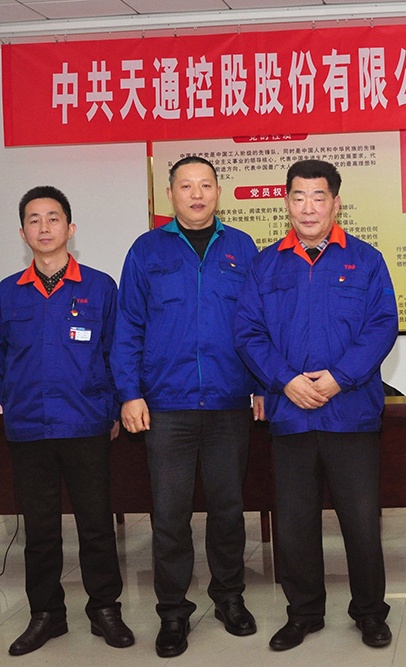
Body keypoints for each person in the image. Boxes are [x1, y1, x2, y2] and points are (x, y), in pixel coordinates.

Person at [233, 159, 397, 651]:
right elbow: (248, 332)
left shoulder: (365, 260)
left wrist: (339, 378)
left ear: (335, 203)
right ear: (287, 202)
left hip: (351, 413)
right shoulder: (266, 264)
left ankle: (370, 612)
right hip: (292, 415)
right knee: (295, 524)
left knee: (361, 522)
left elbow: (382, 326)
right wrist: (284, 381)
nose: (308, 207)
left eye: (318, 196)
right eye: (299, 197)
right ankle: (304, 612)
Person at [112, 156, 260, 657]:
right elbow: (128, 326)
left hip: (227, 401)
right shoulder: (146, 250)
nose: (197, 195)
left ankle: (229, 597)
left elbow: (258, 324)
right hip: (167, 405)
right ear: (170, 194)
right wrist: (129, 392)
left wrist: (262, 386)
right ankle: (173, 610)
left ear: (218, 191)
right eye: (186, 186)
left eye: (205, 185)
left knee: (228, 509)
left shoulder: (242, 248)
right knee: (170, 515)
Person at [1, 187, 134, 656]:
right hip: (28, 428)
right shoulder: (6, 293)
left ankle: (104, 609)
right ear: (23, 233)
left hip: (85, 425)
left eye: (53, 218)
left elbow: (117, 351)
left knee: (96, 524)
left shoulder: (99, 287)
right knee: (40, 530)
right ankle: (46, 615)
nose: (44, 227)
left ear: (70, 228)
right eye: (34, 220)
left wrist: (115, 407)